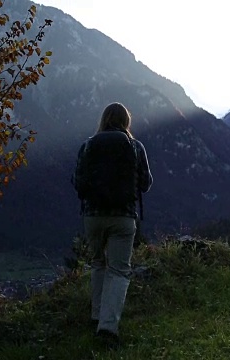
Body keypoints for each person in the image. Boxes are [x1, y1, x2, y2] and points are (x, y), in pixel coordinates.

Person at [73, 102, 153, 346]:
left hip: (93, 217)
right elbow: (146, 183)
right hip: (123, 217)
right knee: (118, 270)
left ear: (103, 119)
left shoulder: (87, 146)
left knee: (98, 264)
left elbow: (78, 182)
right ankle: (107, 329)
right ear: (126, 121)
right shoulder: (135, 147)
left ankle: (95, 316)